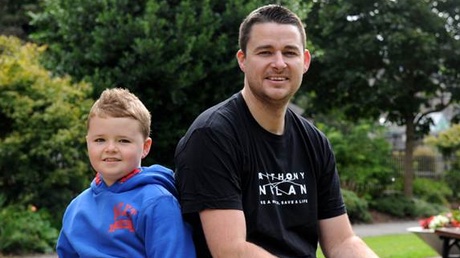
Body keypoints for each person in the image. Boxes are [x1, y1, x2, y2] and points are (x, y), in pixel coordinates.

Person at [175, 4, 379, 258]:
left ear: (304, 61)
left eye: (289, 52)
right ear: (243, 60)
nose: (279, 63)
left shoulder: (315, 142)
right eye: (265, 52)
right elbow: (230, 250)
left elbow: (342, 242)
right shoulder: (213, 136)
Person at [56, 88, 195, 257]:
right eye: (100, 140)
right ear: (88, 143)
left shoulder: (158, 203)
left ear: (145, 147)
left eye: (123, 140)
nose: (110, 149)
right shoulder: (76, 208)